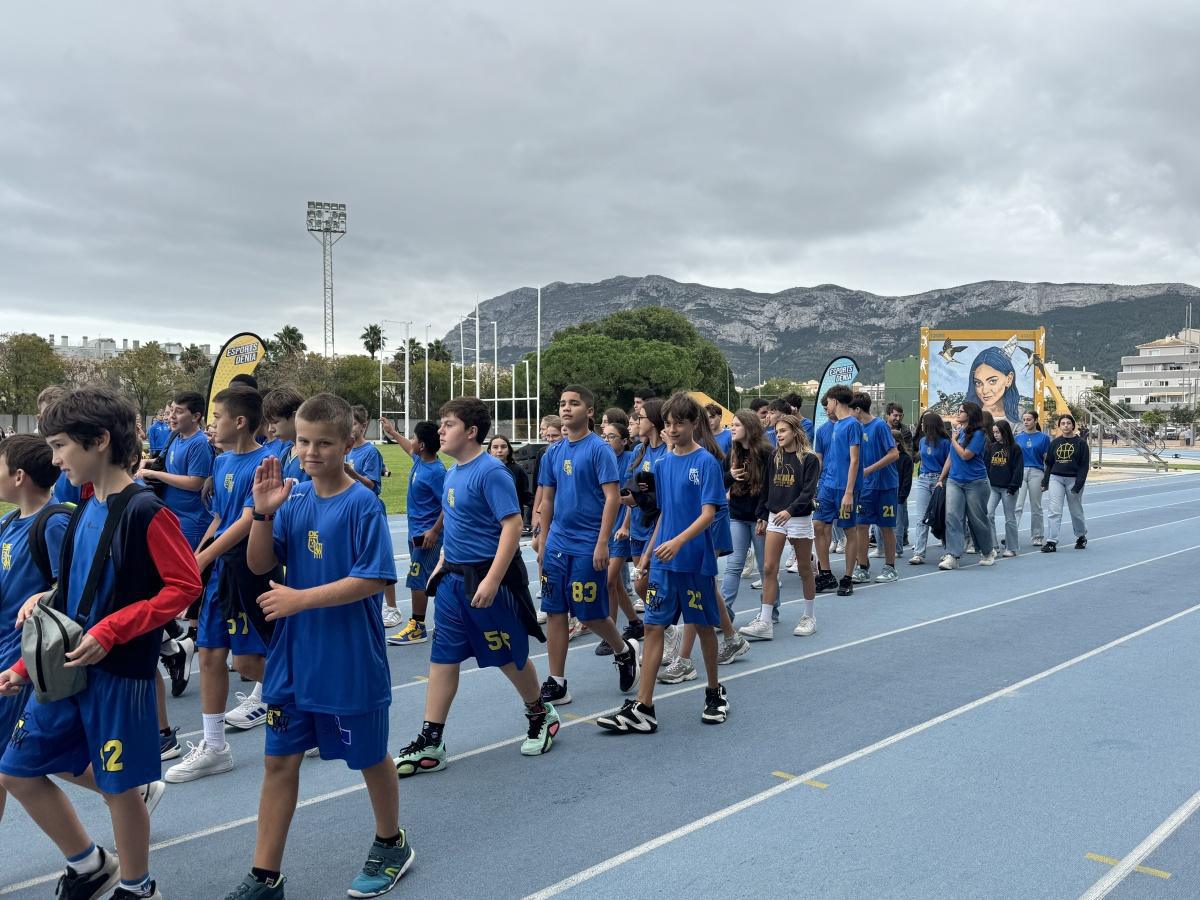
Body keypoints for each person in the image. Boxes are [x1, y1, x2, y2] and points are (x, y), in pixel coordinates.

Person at [0, 387, 201, 900]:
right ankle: (90, 864)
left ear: (100, 441)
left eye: (62, 445)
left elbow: (183, 587)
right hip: (66, 671)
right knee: (18, 770)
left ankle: (137, 887)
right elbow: (69, 591)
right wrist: (26, 667)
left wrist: (112, 629)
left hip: (117, 675)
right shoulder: (85, 506)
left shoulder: (145, 511)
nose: (55, 458)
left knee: (117, 787)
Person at [227, 393, 408, 899]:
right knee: (278, 761)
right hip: (294, 656)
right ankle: (265, 876)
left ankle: (391, 842)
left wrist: (301, 599)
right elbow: (262, 565)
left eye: (323, 443)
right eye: (303, 441)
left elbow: (373, 578)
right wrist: (262, 517)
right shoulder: (295, 497)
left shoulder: (362, 503)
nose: (309, 452)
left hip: (348, 658)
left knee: (369, 757)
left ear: (349, 441)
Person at [392, 398, 560, 777]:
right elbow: (456, 522)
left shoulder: (491, 472)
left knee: (506, 655)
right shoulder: (453, 472)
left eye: (448, 423)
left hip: (486, 581)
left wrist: (493, 578)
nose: (440, 430)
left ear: (470, 431)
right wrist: (441, 561)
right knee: (443, 659)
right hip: (453, 582)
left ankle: (540, 712)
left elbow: (512, 526)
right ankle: (431, 740)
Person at [598, 393, 729, 733]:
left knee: (702, 627)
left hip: (694, 562)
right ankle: (644, 707)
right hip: (663, 565)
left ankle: (714, 691)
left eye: (678, 424)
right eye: (667, 424)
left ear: (694, 425)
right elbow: (665, 514)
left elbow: (708, 514)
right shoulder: (661, 464)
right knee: (654, 627)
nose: (671, 430)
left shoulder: (706, 463)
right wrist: (647, 553)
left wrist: (679, 541)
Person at [166, 386, 275, 782]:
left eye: (217, 417)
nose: (212, 424)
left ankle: (306, 703)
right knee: (211, 655)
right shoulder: (224, 462)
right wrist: (196, 554)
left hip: (248, 572)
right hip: (219, 572)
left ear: (240, 421)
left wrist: (205, 557)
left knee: (247, 662)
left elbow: (248, 518)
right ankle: (214, 746)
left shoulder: (266, 461)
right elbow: (221, 517)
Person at [536, 386, 639, 705]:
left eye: (574, 403)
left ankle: (624, 651)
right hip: (557, 544)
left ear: (589, 411)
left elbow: (612, 497)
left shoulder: (598, 449)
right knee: (554, 610)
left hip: (587, 544)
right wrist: (542, 537)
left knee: (589, 613)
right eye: (563, 404)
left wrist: (601, 543)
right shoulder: (552, 452)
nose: (566, 409)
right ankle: (557, 680)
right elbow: (548, 499)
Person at [0, 435, 72, 824]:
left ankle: (127, 791)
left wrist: (45, 594)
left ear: (19, 476)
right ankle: (130, 790)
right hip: (4, 648)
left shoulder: (54, 522)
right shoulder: (9, 522)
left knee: (12, 761)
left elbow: (75, 587)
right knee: (19, 754)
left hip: (21, 652)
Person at [738, 414, 820, 639]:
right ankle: (765, 621)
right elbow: (767, 488)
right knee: (768, 568)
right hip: (776, 517)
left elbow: (808, 492)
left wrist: (790, 510)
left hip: (798, 518)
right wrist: (763, 514)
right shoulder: (774, 456)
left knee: (804, 568)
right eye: (776, 431)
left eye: (783, 430)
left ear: (795, 431)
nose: (778, 435)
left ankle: (809, 616)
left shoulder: (809, 459)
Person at [380, 419, 446, 647]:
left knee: (417, 578)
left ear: (423, 445)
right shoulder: (420, 459)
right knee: (431, 578)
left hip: (426, 537)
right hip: (415, 533)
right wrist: (392, 432)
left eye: (415, 438)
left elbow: (448, 504)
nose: (412, 441)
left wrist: (434, 531)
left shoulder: (437, 472)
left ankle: (418, 626)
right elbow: (407, 447)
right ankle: (449, 619)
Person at [720, 410, 773, 617]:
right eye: (732, 425)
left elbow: (770, 488)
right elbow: (719, 482)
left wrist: (764, 515)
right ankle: (724, 613)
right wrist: (730, 476)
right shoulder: (732, 453)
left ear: (749, 428)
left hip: (760, 517)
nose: (732, 428)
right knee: (733, 565)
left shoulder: (767, 453)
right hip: (738, 516)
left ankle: (771, 611)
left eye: (737, 425)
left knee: (765, 567)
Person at [597, 421, 644, 657]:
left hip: (621, 528)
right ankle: (635, 622)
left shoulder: (628, 460)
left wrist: (625, 524)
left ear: (624, 440)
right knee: (614, 583)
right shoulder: (603, 458)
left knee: (608, 581)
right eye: (604, 436)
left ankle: (610, 633)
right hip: (606, 526)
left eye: (612, 437)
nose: (606, 440)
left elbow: (628, 495)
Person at [812, 386, 863, 596]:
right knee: (818, 525)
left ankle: (848, 577)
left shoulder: (852, 424)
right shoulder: (830, 427)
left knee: (849, 530)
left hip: (844, 489)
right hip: (827, 486)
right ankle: (826, 574)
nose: (827, 406)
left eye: (828, 402)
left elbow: (854, 460)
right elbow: (821, 460)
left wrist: (849, 492)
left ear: (834, 401)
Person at [939, 402, 996, 570]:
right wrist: (941, 478)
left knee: (977, 519)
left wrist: (953, 440)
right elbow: (951, 457)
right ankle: (953, 555)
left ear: (970, 414)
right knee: (952, 517)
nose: (958, 413)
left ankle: (987, 551)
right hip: (955, 480)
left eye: (961, 411)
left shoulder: (979, 434)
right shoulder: (960, 431)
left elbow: (965, 455)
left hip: (975, 482)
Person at [850, 394, 899, 584]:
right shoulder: (856, 428)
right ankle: (862, 567)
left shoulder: (879, 426)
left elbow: (894, 454)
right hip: (866, 487)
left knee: (886, 526)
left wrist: (870, 469)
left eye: (850, 410)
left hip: (885, 485)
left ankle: (890, 567)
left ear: (858, 410)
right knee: (861, 525)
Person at [1042, 414, 1089, 552]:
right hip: (1056, 478)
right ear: (1059, 426)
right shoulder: (1055, 443)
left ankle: (1081, 536)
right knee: (1054, 510)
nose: (1066, 425)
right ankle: (1051, 541)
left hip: (1074, 480)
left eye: (1068, 423)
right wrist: (1045, 481)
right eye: (1063, 423)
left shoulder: (1081, 443)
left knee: (1076, 511)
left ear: (1073, 425)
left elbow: (1083, 466)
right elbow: (1049, 463)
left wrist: (1078, 485)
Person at [909, 412, 951, 565]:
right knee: (921, 518)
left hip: (940, 480)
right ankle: (918, 553)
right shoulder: (922, 441)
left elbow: (949, 462)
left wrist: (942, 479)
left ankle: (949, 551)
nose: (921, 426)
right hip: (923, 479)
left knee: (943, 517)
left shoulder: (946, 443)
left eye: (923, 423)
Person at [986, 420, 1023, 558]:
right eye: (994, 432)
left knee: (1009, 518)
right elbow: (986, 465)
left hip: (1008, 488)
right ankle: (993, 546)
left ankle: (1012, 547)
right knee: (988, 514)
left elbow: (1018, 469)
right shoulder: (991, 447)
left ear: (1005, 432)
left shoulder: (1015, 448)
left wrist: (1013, 486)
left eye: (998, 432)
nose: (995, 435)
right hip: (994, 487)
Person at [1013, 410, 1051, 546]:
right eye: (1024, 420)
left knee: (1036, 506)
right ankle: (1012, 534)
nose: (1026, 422)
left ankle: (1037, 536)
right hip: (1020, 472)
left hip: (1036, 472)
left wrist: (1046, 479)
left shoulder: (1044, 438)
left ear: (1035, 420)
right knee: (1017, 505)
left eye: (1029, 419)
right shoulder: (1017, 438)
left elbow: (1047, 460)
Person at [964, 346, 1022, 426]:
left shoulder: (1022, 416)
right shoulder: (968, 416)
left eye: (992, 381)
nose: (984, 391)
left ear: (1009, 379)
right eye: (978, 383)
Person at [263, 387, 308, 485]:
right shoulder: (284, 454)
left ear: (296, 417)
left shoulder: (313, 454)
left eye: (275, 422)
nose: (270, 429)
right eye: (269, 423)